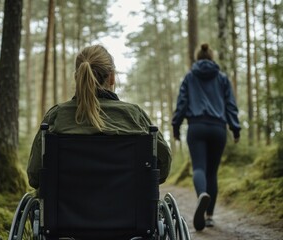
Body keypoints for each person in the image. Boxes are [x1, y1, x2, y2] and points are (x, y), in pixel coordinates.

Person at [27, 44, 172, 190]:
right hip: (128, 210)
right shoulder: (135, 116)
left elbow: (34, 176)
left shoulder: (56, 116)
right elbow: (163, 166)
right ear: (112, 78)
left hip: (65, 211)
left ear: (76, 77)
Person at [172, 43, 241, 231]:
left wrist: (176, 126)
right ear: (212, 56)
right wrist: (235, 129)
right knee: (212, 172)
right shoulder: (222, 78)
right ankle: (209, 217)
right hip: (218, 129)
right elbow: (230, 105)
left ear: (197, 57)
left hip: (196, 127)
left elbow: (182, 103)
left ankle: (202, 194)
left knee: (199, 169)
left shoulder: (189, 77)